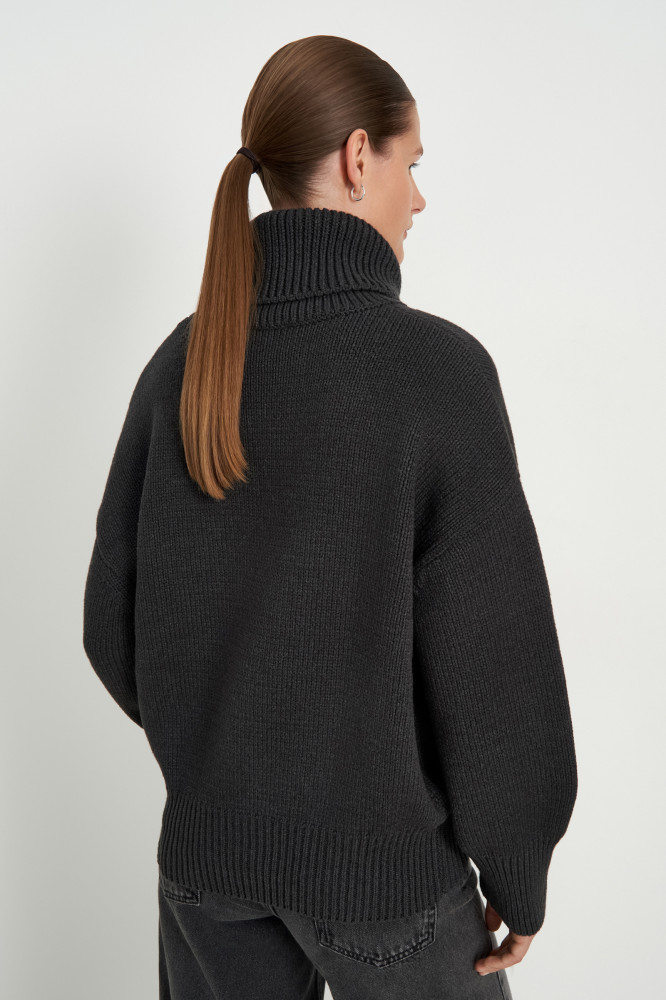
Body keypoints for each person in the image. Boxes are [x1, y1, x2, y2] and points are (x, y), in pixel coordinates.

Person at [82, 34, 578, 1000]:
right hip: (385, 879)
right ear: (358, 158)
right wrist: (519, 862)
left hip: (207, 873)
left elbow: (113, 629)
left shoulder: (182, 363)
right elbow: (494, 663)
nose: (419, 198)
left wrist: (229, 755)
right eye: (412, 164)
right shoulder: (437, 374)